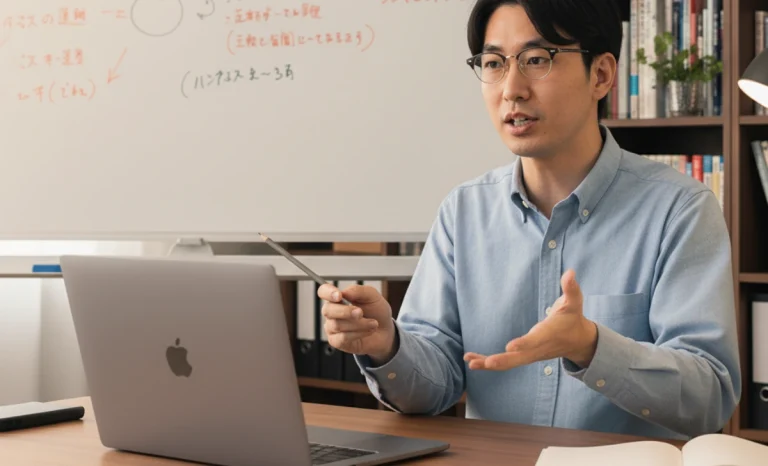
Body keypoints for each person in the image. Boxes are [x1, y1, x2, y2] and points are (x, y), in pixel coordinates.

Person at [317, 0, 740, 440]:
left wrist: (592, 346)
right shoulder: (463, 212)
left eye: (537, 60)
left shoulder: (679, 208)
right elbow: (434, 386)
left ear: (601, 75)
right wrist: (386, 346)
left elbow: (709, 400)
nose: (511, 88)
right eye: (495, 63)